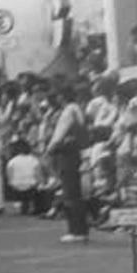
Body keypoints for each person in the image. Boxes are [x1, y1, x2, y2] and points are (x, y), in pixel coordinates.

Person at [46, 85, 89, 243]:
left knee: (70, 193)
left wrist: (50, 149)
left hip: (68, 154)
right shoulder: (77, 109)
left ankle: (76, 230)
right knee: (74, 193)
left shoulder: (68, 111)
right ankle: (80, 229)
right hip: (75, 152)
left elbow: (59, 134)